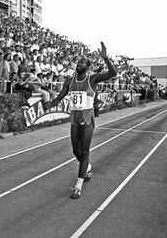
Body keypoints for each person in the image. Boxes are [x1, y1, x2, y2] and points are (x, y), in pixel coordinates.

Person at [44, 42, 117, 199]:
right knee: (75, 151)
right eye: (77, 62)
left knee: (84, 151)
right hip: (74, 118)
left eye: (82, 63)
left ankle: (78, 185)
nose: (78, 64)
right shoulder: (69, 81)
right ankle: (88, 166)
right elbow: (60, 97)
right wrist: (50, 104)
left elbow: (113, 73)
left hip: (87, 118)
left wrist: (106, 58)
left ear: (88, 67)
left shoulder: (93, 79)